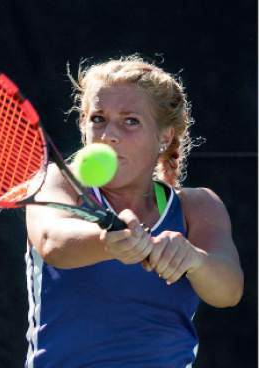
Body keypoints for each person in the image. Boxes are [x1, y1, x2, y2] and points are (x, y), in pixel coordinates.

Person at [25, 56, 244, 368]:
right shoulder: (56, 181)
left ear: (164, 136)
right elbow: (51, 241)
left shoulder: (198, 206)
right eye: (98, 119)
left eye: (130, 121)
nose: (109, 134)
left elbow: (229, 290)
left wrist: (193, 259)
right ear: (83, 126)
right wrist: (109, 241)